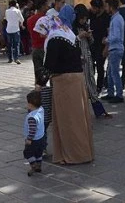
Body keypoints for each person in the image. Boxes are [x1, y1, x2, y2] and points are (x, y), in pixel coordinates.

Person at [35, 13, 95, 165]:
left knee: (69, 121)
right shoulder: (68, 33)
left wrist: (40, 84)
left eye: (41, 32)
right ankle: (82, 152)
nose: (41, 36)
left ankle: (74, 155)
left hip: (65, 82)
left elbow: (49, 65)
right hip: (76, 79)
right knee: (78, 119)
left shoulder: (54, 39)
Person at [71, 4, 111, 118]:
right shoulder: (72, 28)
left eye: (85, 18)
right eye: (82, 18)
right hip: (77, 60)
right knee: (81, 85)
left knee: (91, 82)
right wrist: (79, 36)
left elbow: (92, 42)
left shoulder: (86, 26)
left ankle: (98, 109)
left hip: (87, 58)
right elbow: (70, 43)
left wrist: (88, 35)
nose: (84, 21)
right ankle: (79, 109)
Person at [102, 0, 125, 103]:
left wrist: (106, 40)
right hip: (114, 48)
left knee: (114, 72)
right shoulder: (116, 18)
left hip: (116, 48)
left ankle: (119, 94)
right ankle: (111, 93)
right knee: (110, 72)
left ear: (111, 7)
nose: (106, 9)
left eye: (107, 6)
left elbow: (116, 36)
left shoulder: (116, 19)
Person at [23, 90, 46, 176]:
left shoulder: (32, 117)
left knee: (27, 153)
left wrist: (29, 139)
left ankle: (33, 165)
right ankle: (39, 165)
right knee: (38, 153)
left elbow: (32, 129)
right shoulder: (41, 109)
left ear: (31, 104)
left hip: (34, 140)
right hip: (41, 137)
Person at [89, 0, 109, 93]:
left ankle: (99, 86)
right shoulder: (91, 15)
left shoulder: (106, 17)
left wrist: (106, 46)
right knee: (91, 65)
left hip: (101, 45)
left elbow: (108, 32)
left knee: (100, 66)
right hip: (92, 44)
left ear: (99, 8)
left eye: (94, 8)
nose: (92, 10)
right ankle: (91, 84)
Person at [28, 0, 49, 80]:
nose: (48, 7)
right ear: (42, 6)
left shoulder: (30, 20)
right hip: (45, 48)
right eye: (46, 5)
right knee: (51, 72)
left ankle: (39, 90)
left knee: (38, 74)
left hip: (35, 48)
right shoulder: (46, 19)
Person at [5, 0, 25, 64]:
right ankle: (16, 58)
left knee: (9, 44)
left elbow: (7, 19)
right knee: (16, 44)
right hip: (16, 29)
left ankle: (10, 59)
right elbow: (22, 19)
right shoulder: (17, 11)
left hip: (9, 29)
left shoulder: (7, 11)